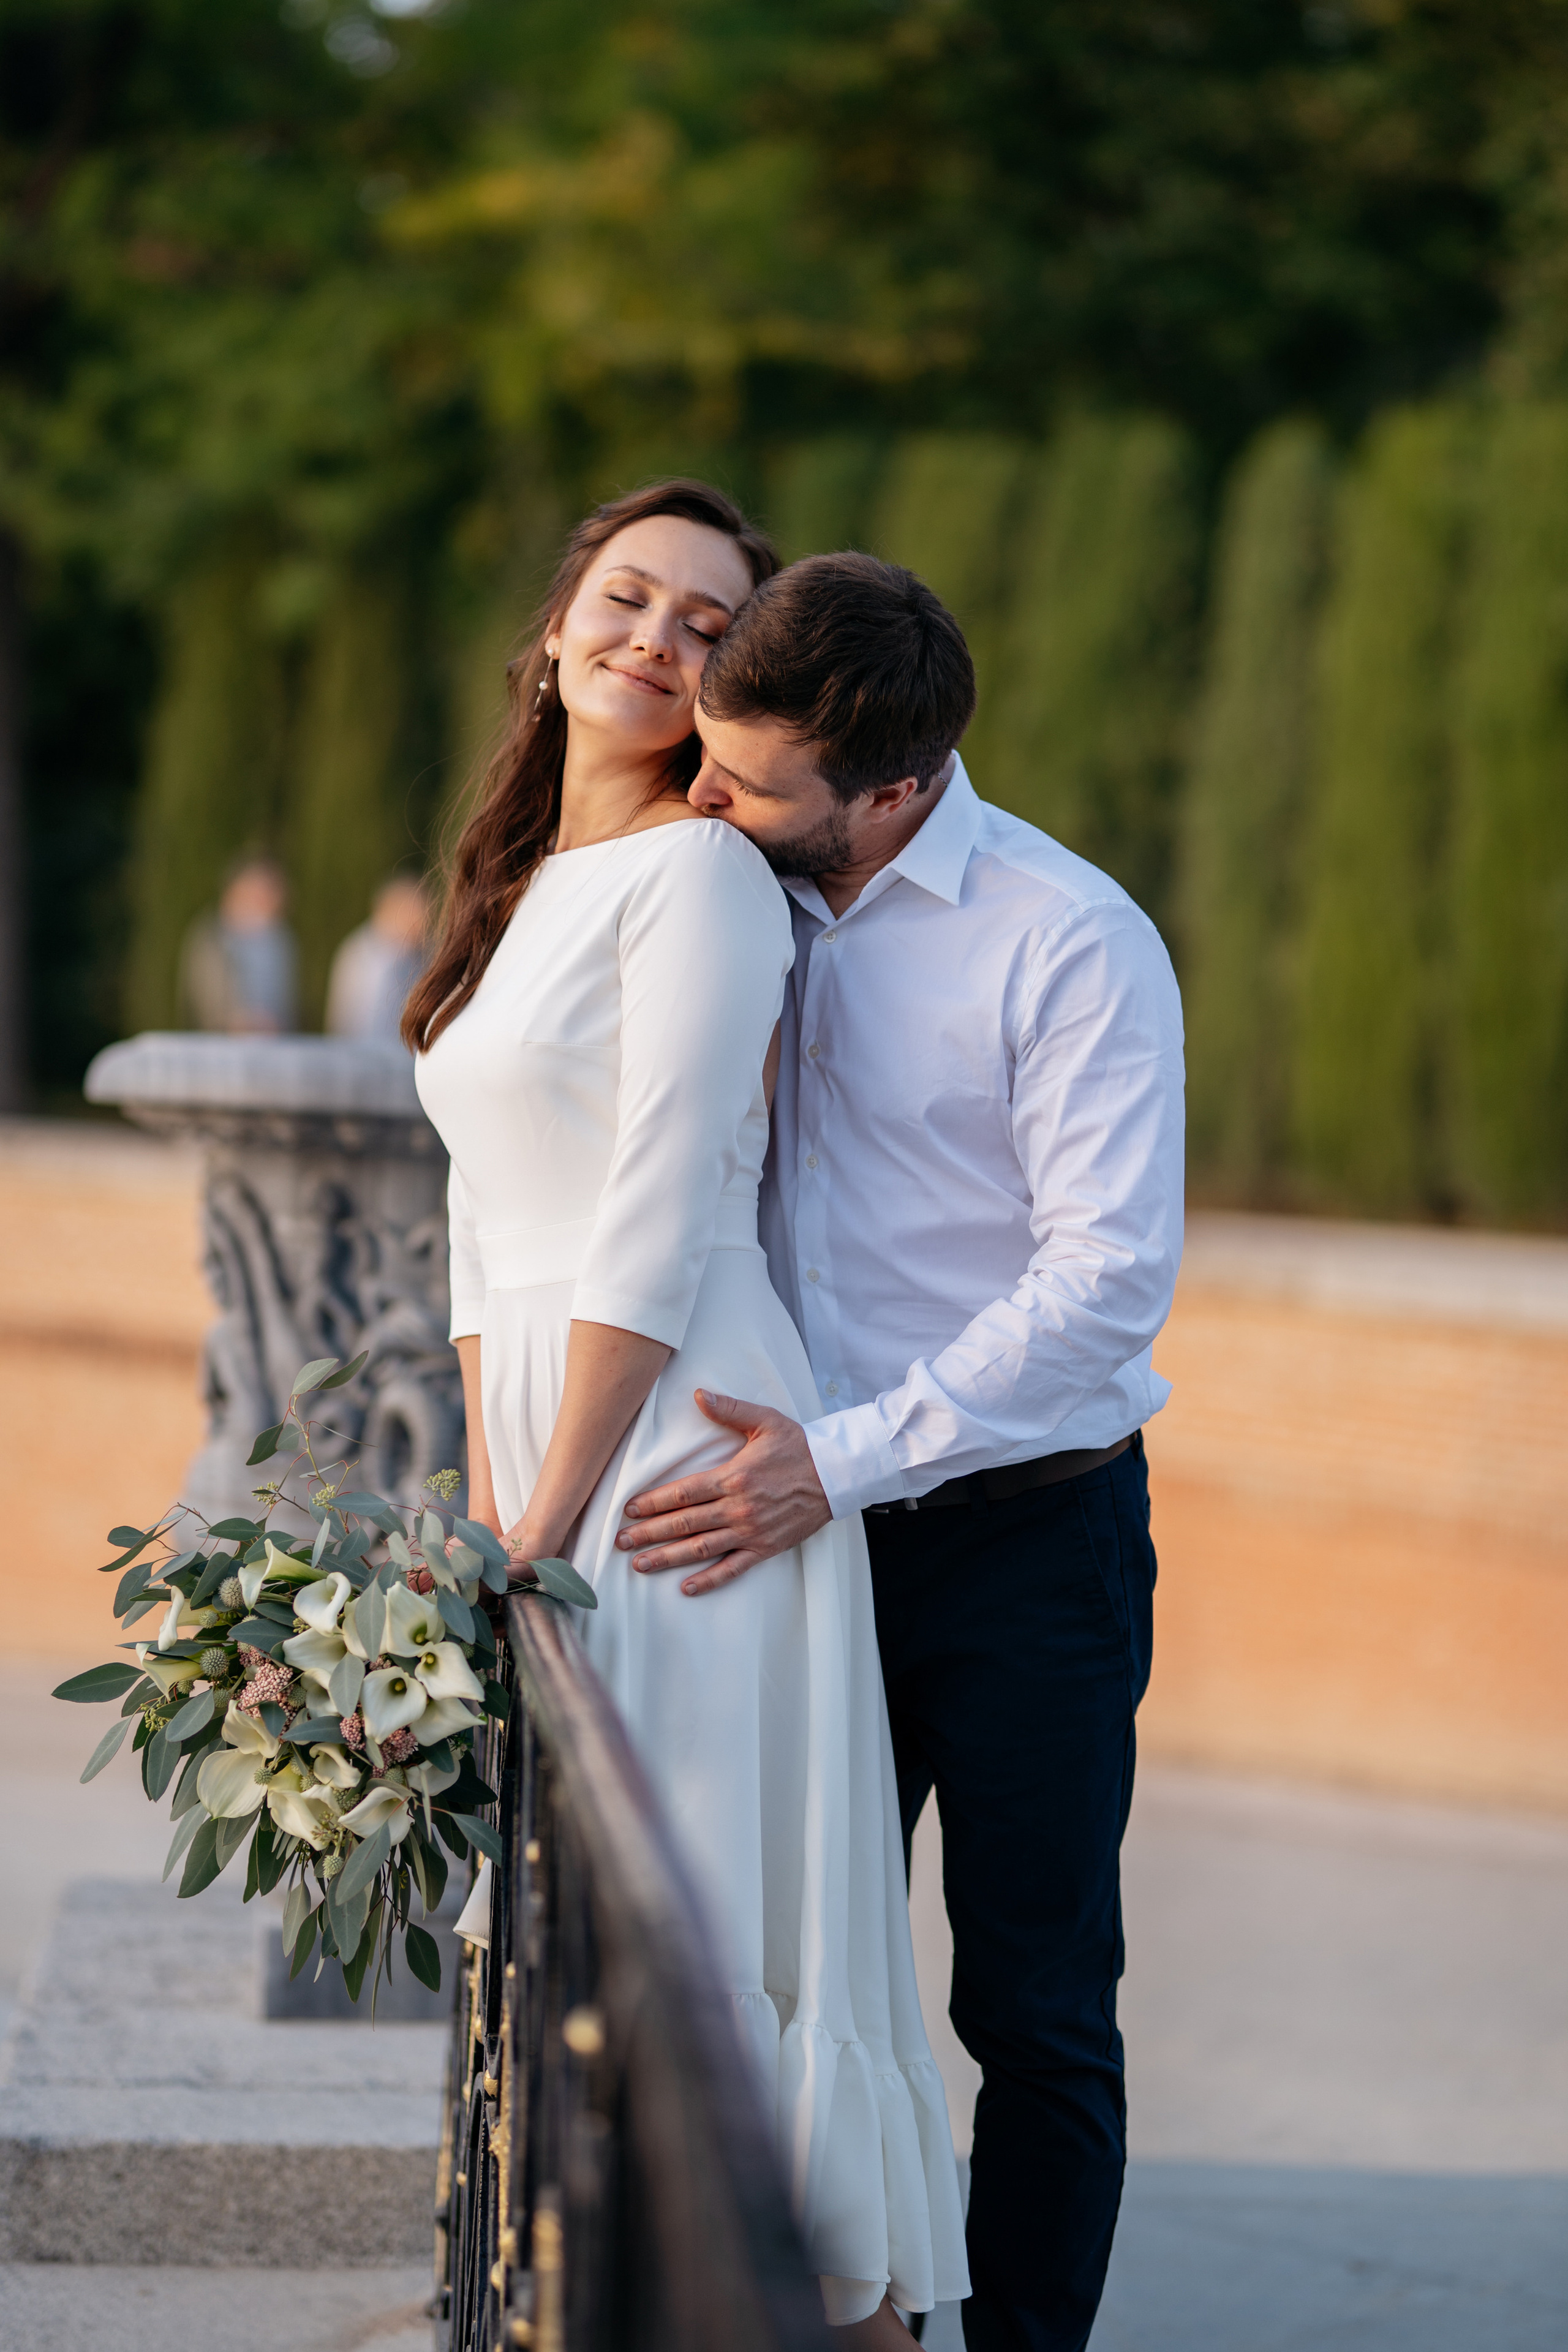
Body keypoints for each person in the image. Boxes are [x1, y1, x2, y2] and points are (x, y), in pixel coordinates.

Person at [404, 484, 968, 2343]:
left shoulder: (703, 872)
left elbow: (654, 1207)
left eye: (704, 623)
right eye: (627, 594)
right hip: (556, 1455)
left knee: (708, 1937)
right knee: (616, 1945)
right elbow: (485, 1237)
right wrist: (484, 1504)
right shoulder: (529, 887)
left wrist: (549, 1511)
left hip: (669, 1449)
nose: (653, 636)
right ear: (560, 614)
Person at [615, 554, 1185, 2352]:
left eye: (746, 778)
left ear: (892, 787)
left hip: (1028, 1545)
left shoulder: (1066, 934)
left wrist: (834, 1456)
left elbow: (1103, 1282)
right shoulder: (726, 895)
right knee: (779, 1974)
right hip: (801, 1548)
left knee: (1033, 2008)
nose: (702, 793)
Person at [179, 854, 297, 1034]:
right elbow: (204, 1003)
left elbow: (289, 1005)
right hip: (220, 1046)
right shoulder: (212, 937)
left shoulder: (281, 939)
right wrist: (237, 1022)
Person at [325, 872, 430, 1042]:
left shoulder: (416, 955)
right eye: (417, 911)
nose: (423, 922)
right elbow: (351, 1024)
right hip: (368, 1057)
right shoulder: (363, 956)